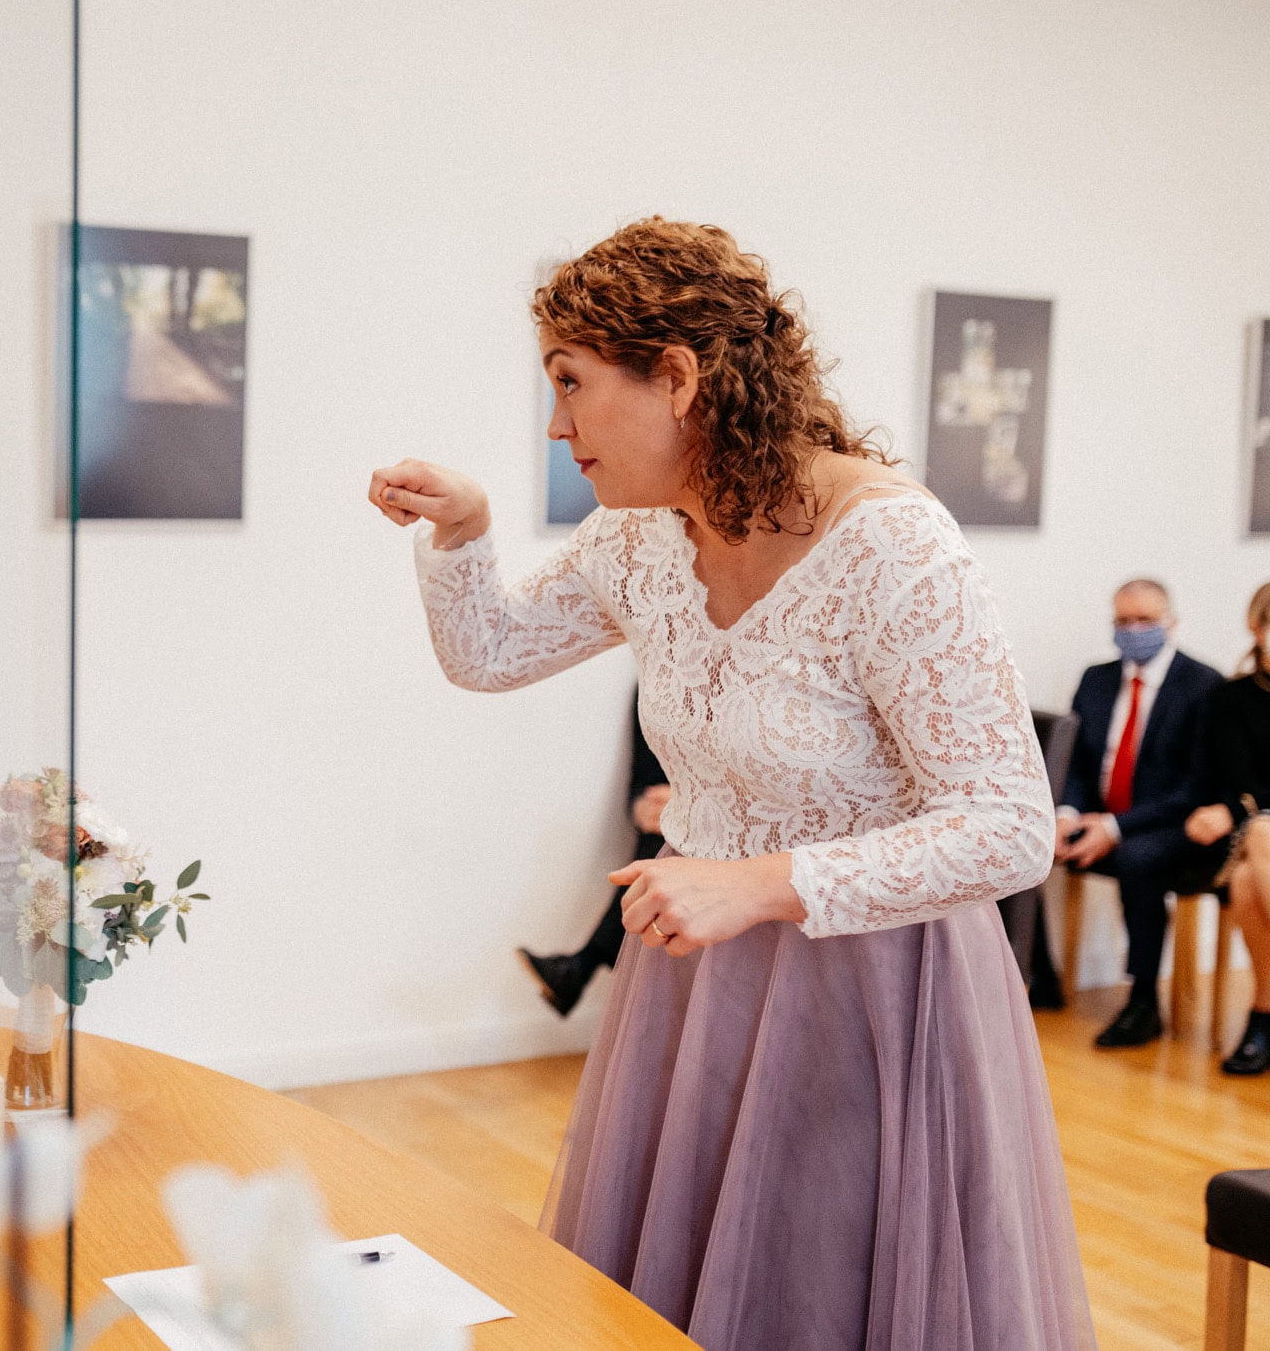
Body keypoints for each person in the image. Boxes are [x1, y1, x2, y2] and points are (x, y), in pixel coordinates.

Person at [369, 218, 1092, 1349]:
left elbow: (1008, 828)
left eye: (570, 383)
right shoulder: (638, 538)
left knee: (817, 1291)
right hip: (697, 983)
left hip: (875, 993)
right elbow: (492, 653)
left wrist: (756, 884)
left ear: (676, 376)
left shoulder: (892, 546)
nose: (556, 424)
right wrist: (465, 532)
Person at [1057, 580, 1222, 1047]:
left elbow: (1197, 787)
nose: (1133, 631)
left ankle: (1143, 1002)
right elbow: (1076, 763)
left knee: (1137, 858)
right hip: (1098, 817)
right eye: (1123, 621)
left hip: (1171, 825)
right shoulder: (1096, 679)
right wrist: (1067, 814)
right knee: (1022, 843)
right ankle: (1040, 976)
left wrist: (1115, 827)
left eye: (1145, 620)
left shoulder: (1204, 685)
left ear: (1170, 622)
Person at [518, 692, 667, 1016]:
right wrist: (642, 808)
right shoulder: (650, 688)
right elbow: (641, 785)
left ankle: (581, 967)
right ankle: (582, 967)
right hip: (668, 829)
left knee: (664, 847)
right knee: (660, 841)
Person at [1185, 582, 1270, 1073]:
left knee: (1246, 880)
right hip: (1258, 830)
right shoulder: (1232, 697)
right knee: (1259, 837)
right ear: (1256, 628)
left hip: (1256, 833)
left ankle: (1264, 1014)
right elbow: (1241, 780)